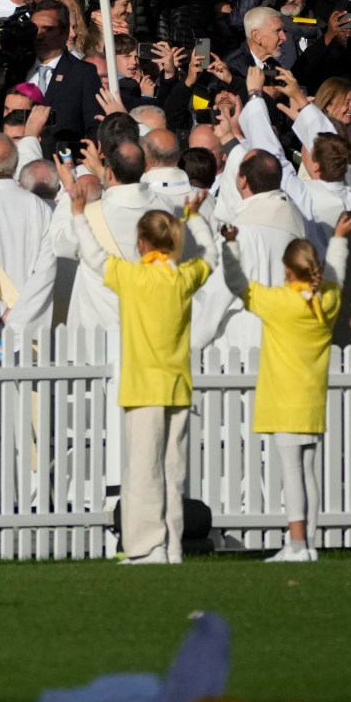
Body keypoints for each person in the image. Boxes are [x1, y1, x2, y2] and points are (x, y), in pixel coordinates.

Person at [243, 224, 351, 563]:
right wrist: (338, 240)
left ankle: (297, 543)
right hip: (311, 402)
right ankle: (307, 544)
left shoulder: (280, 302)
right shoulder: (328, 300)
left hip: (284, 402)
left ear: (287, 270)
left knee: (293, 472)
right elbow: (336, 276)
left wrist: (230, 248)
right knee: (307, 472)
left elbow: (238, 287)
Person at [108, 208, 209, 565]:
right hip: (177, 385)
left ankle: (149, 546)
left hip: (143, 388)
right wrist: (195, 217)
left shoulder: (134, 276)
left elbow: (90, 254)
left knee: (143, 470)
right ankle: (171, 545)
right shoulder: (182, 277)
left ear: (141, 242)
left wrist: (76, 215)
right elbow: (209, 255)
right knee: (171, 469)